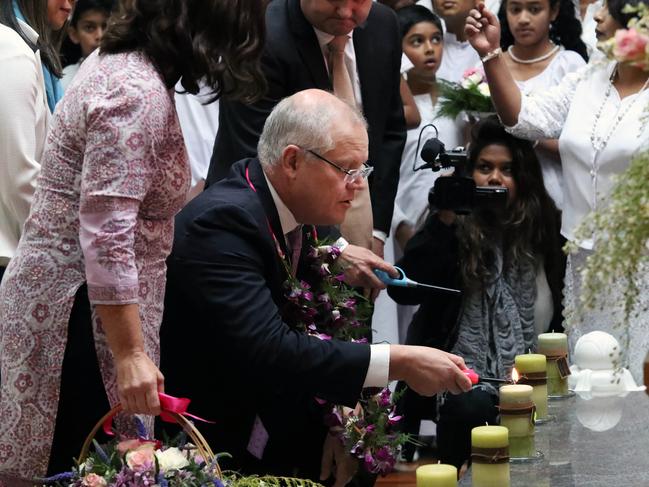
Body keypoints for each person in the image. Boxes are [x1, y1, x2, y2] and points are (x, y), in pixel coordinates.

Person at [0, 0, 266, 480]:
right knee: (80, 467)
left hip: (89, 309)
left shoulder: (129, 71)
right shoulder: (133, 90)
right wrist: (130, 353)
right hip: (75, 317)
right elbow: (106, 233)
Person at [159, 89, 473, 483]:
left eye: (363, 171)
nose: (358, 187)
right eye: (347, 170)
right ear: (292, 161)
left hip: (272, 412)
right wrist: (401, 362)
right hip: (214, 438)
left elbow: (315, 324)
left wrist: (339, 414)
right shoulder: (224, 223)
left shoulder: (288, 205)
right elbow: (271, 348)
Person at [465, 0, 649, 381]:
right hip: (586, 261)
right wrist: (490, 54)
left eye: (609, 10)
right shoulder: (589, 77)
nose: (596, 17)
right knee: (595, 374)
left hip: (642, 260)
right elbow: (521, 118)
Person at [389, 116, 564, 468]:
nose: (495, 178)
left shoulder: (545, 230)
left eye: (506, 169)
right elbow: (405, 289)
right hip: (460, 377)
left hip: (532, 372)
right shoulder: (451, 228)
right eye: (484, 167)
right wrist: (446, 216)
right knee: (469, 405)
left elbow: (563, 310)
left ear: (522, 178)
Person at [205, 0, 406, 255]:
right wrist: (336, 249)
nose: (345, 11)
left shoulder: (383, 24)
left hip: (359, 225)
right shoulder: (259, 32)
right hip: (260, 229)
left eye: (359, 0)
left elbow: (389, 132)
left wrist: (377, 231)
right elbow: (261, 161)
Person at [0, 0, 70, 283]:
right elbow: (20, 176)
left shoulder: (18, 46)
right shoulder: (11, 50)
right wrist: (72, 237)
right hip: (8, 254)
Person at [498, 0, 587, 209]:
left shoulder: (570, 65)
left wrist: (530, 136)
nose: (523, 19)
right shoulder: (492, 66)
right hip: (499, 192)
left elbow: (582, 144)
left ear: (554, 11)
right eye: (515, 9)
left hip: (553, 190)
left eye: (534, 9)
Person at [60, 0, 113, 91]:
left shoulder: (125, 72)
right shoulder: (66, 81)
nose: (99, 35)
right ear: (74, 34)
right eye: (89, 28)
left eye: (105, 26)